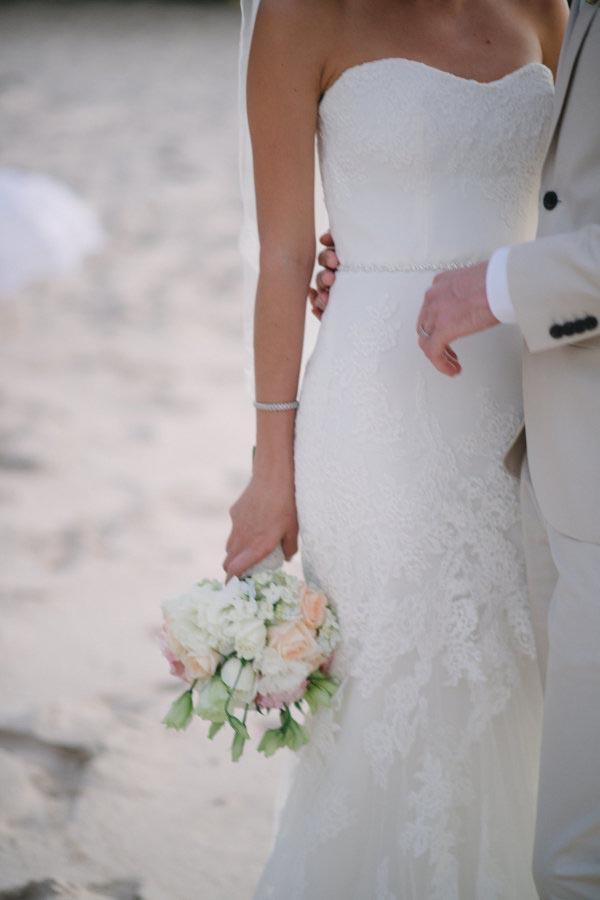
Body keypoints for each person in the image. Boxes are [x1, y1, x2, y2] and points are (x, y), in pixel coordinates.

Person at [224, 1, 567, 896]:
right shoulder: (301, 15)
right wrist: (272, 468)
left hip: (538, 395)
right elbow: (283, 255)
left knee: (527, 680)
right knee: (390, 691)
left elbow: (572, 211)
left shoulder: (548, 7)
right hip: (375, 409)